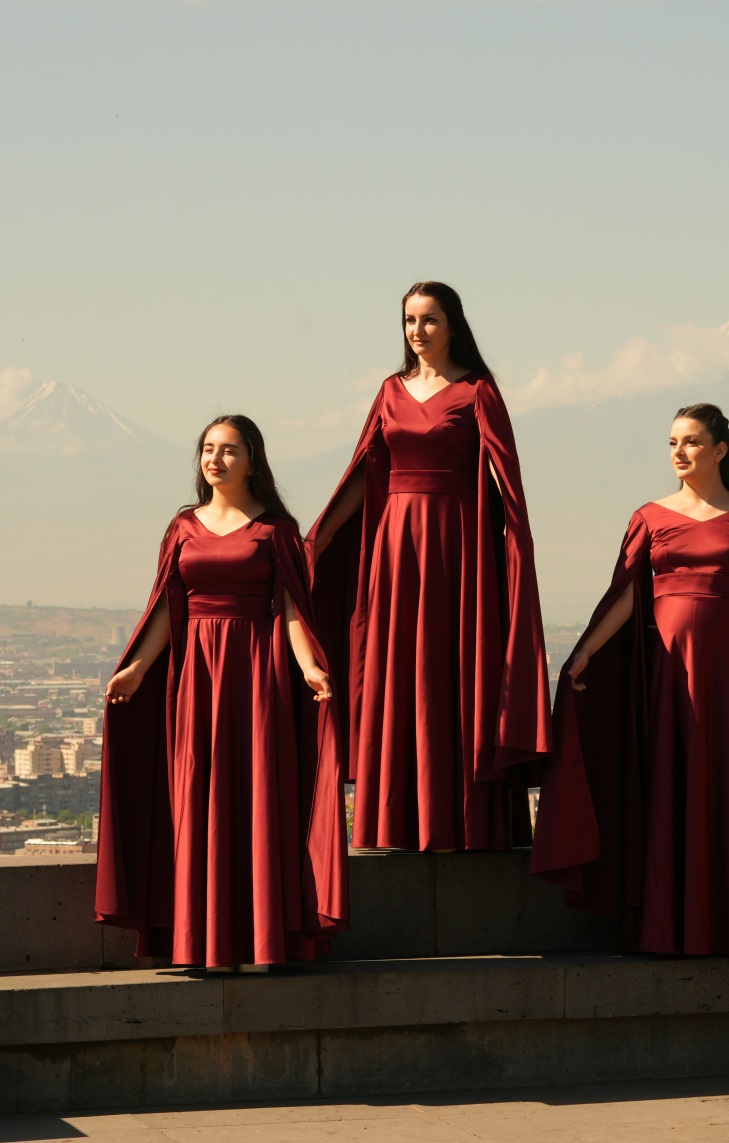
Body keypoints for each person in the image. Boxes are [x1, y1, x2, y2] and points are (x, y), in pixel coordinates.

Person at [531, 403, 729, 957]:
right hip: (666, 672)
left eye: (691, 442)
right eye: (671, 443)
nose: (679, 453)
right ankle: (667, 924)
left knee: (727, 782)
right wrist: (585, 653)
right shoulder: (648, 516)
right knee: (667, 780)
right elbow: (625, 593)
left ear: (720, 450)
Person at [95, 415, 347, 970]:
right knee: (197, 797)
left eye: (229, 450)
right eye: (208, 449)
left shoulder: (277, 530)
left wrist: (309, 667)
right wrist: (137, 668)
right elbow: (168, 605)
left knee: (257, 796)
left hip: (259, 678)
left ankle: (260, 944)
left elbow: (291, 612)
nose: (216, 459)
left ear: (252, 460)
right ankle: (199, 942)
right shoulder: (182, 527)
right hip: (196, 681)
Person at [306, 282, 549, 851]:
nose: (417, 331)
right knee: (398, 670)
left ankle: (459, 818)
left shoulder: (478, 392)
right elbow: (367, 471)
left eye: (429, 320)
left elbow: (507, 486)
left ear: (453, 325)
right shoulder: (389, 392)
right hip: (394, 547)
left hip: (458, 550)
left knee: (453, 669)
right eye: (409, 321)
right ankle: (394, 819)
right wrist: (320, 538)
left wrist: (511, 559)